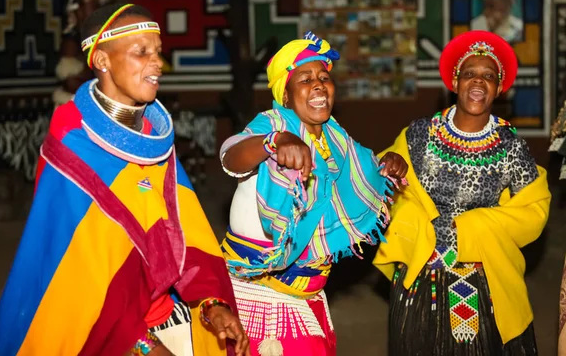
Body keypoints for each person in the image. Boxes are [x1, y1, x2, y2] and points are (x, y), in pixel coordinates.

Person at [0, 3, 249, 356]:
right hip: (106, 333)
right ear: (102, 61)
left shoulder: (153, 136)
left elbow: (183, 231)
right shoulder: (73, 144)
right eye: (141, 52)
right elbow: (78, 278)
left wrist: (212, 302)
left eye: (157, 52)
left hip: (165, 311)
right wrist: (141, 344)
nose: (157, 63)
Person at [219, 32, 408, 356]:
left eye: (324, 78)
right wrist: (274, 142)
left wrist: (388, 167)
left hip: (309, 292)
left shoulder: (337, 140)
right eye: (305, 79)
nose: (319, 85)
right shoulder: (272, 124)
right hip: (259, 294)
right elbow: (229, 156)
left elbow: (365, 180)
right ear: (286, 96)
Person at [374, 30, 551, 355]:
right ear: (455, 83)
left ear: (499, 88)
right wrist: (390, 163)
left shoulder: (512, 147)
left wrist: (476, 226)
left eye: (488, 76)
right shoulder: (420, 134)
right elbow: (380, 187)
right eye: (469, 74)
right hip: (418, 276)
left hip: (478, 278)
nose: (478, 82)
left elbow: (534, 212)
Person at [53, 0, 111, 108]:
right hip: (74, 105)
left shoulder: (98, 39)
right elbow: (70, 82)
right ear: (79, 13)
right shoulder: (72, 41)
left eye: (96, 8)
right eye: (91, 9)